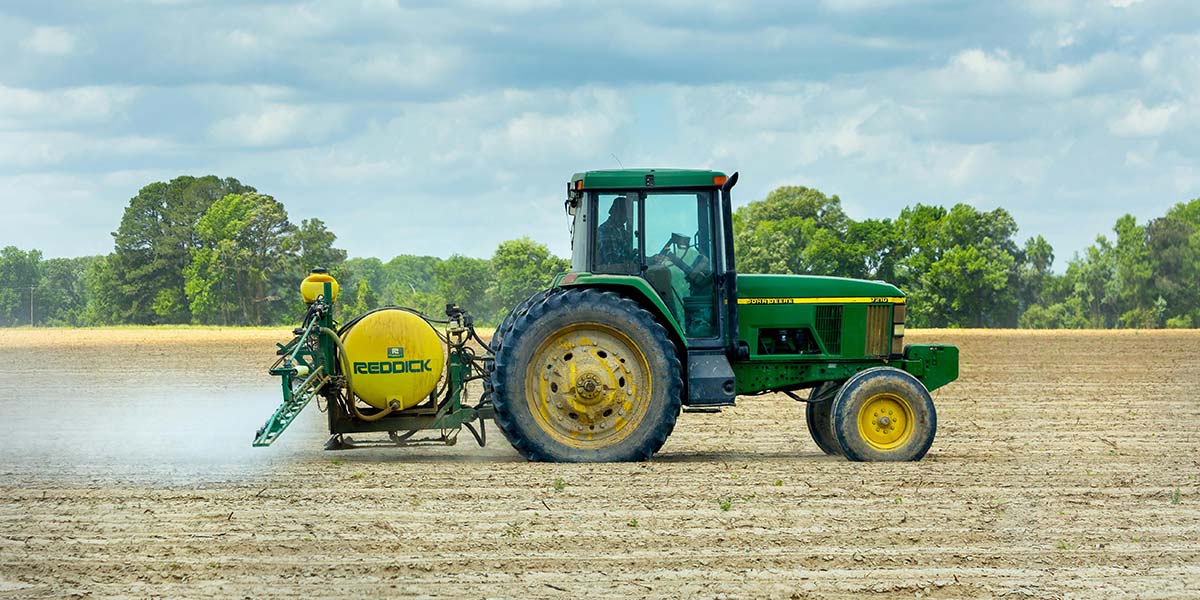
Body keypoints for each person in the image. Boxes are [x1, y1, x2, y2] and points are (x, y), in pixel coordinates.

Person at [596, 196, 635, 271]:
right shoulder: (605, 229)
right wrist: (631, 261)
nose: (626, 218)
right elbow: (612, 259)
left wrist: (647, 259)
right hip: (610, 272)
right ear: (615, 212)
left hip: (621, 270)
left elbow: (628, 255)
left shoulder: (623, 232)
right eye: (624, 213)